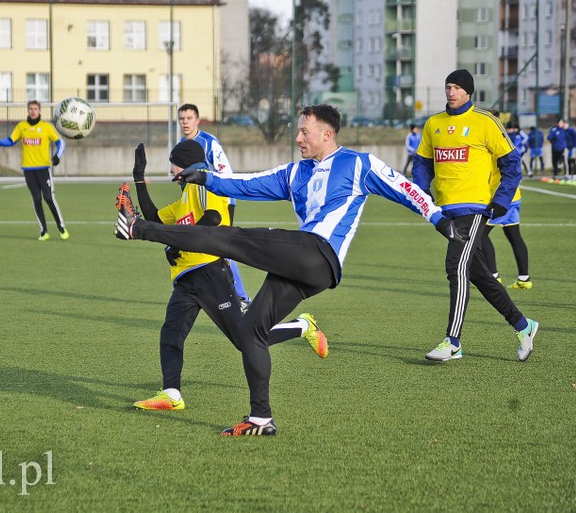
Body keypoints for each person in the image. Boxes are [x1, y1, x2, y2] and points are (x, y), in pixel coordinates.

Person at [114, 104, 461, 436]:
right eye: (298, 131)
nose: (298, 138)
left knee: (226, 238)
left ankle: (137, 228)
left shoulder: (358, 164)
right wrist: (206, 178)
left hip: (317, 252)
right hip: (303, 266)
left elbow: (403, 187)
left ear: (326, 134)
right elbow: (247, 183)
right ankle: (260, 418)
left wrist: (439, 218)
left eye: (303, 132)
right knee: (250, 332)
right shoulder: (296, 172)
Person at [129, 140, 328, 411]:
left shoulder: (204, 184)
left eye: (172, 161)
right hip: (186, 278)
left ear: (183, 163)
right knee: (171, 333)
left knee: (243, 338)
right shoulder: (184, 197)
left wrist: (177, 242)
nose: (170, 167)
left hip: (210, 272)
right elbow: (154, 219)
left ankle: (303, 326)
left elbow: (213, 219)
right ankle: (171, 393)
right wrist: (139, 179)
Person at [412, 69, 539, 362]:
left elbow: (511, 164)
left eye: (457, 88)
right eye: (448, 87)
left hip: (476, 210)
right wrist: (422, 193)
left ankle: (453, 341)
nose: (451, 92)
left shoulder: (485, 122)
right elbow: (422, 163)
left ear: (469, 92)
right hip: (446, 213)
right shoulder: (434, 124)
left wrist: (502, 201)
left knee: (455, 268)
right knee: (479, 275)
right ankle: (524, 326)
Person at [177, 103, 250, 308]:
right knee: (209, 247)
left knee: (223, 247)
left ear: (197, 120)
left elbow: (224, 171)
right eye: (182, 118)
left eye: (189, 118)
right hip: (201, 205)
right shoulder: (183, 144)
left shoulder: (209, 143)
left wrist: (224, 194)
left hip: (221, 201)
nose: (185, 122)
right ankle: (223, 294)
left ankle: (241, 297)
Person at [0, 101, 69, 241]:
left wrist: (57, 156)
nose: (33, 111)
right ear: (27, 110)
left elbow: (60, 142)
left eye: (35, 109)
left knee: (48, 198)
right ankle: (44, 231)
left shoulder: (46, 127)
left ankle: (61, 227)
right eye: (30, 109)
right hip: (28, 169)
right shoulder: (21, 126)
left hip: (43, 168)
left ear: (40, 111)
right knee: (36, 198)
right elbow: (10, 141)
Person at [482, 117, 532, 290]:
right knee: (514, 235)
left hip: (499, 198)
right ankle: (524, 279)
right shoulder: (507, 143)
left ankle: (493, 277)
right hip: (514, 196)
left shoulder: (492, 144)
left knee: (480, 234)